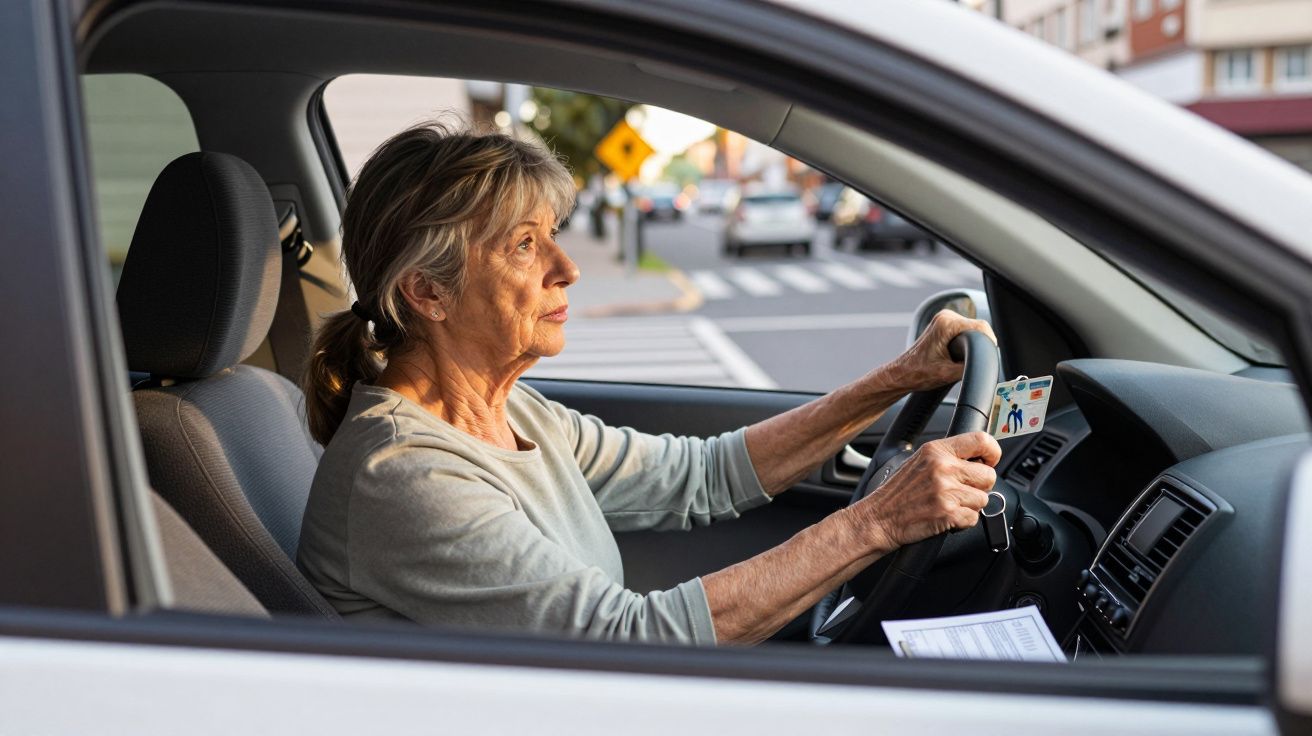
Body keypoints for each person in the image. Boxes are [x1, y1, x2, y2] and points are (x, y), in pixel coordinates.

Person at [297, 122, 1000, 646]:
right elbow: (631, 637)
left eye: (552, 234)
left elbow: (705, 474)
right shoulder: (400, 475)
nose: (567, 267)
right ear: (427, 292)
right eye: (523, 244)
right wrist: (878, 521)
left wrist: (898, 379)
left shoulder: (516, 414)